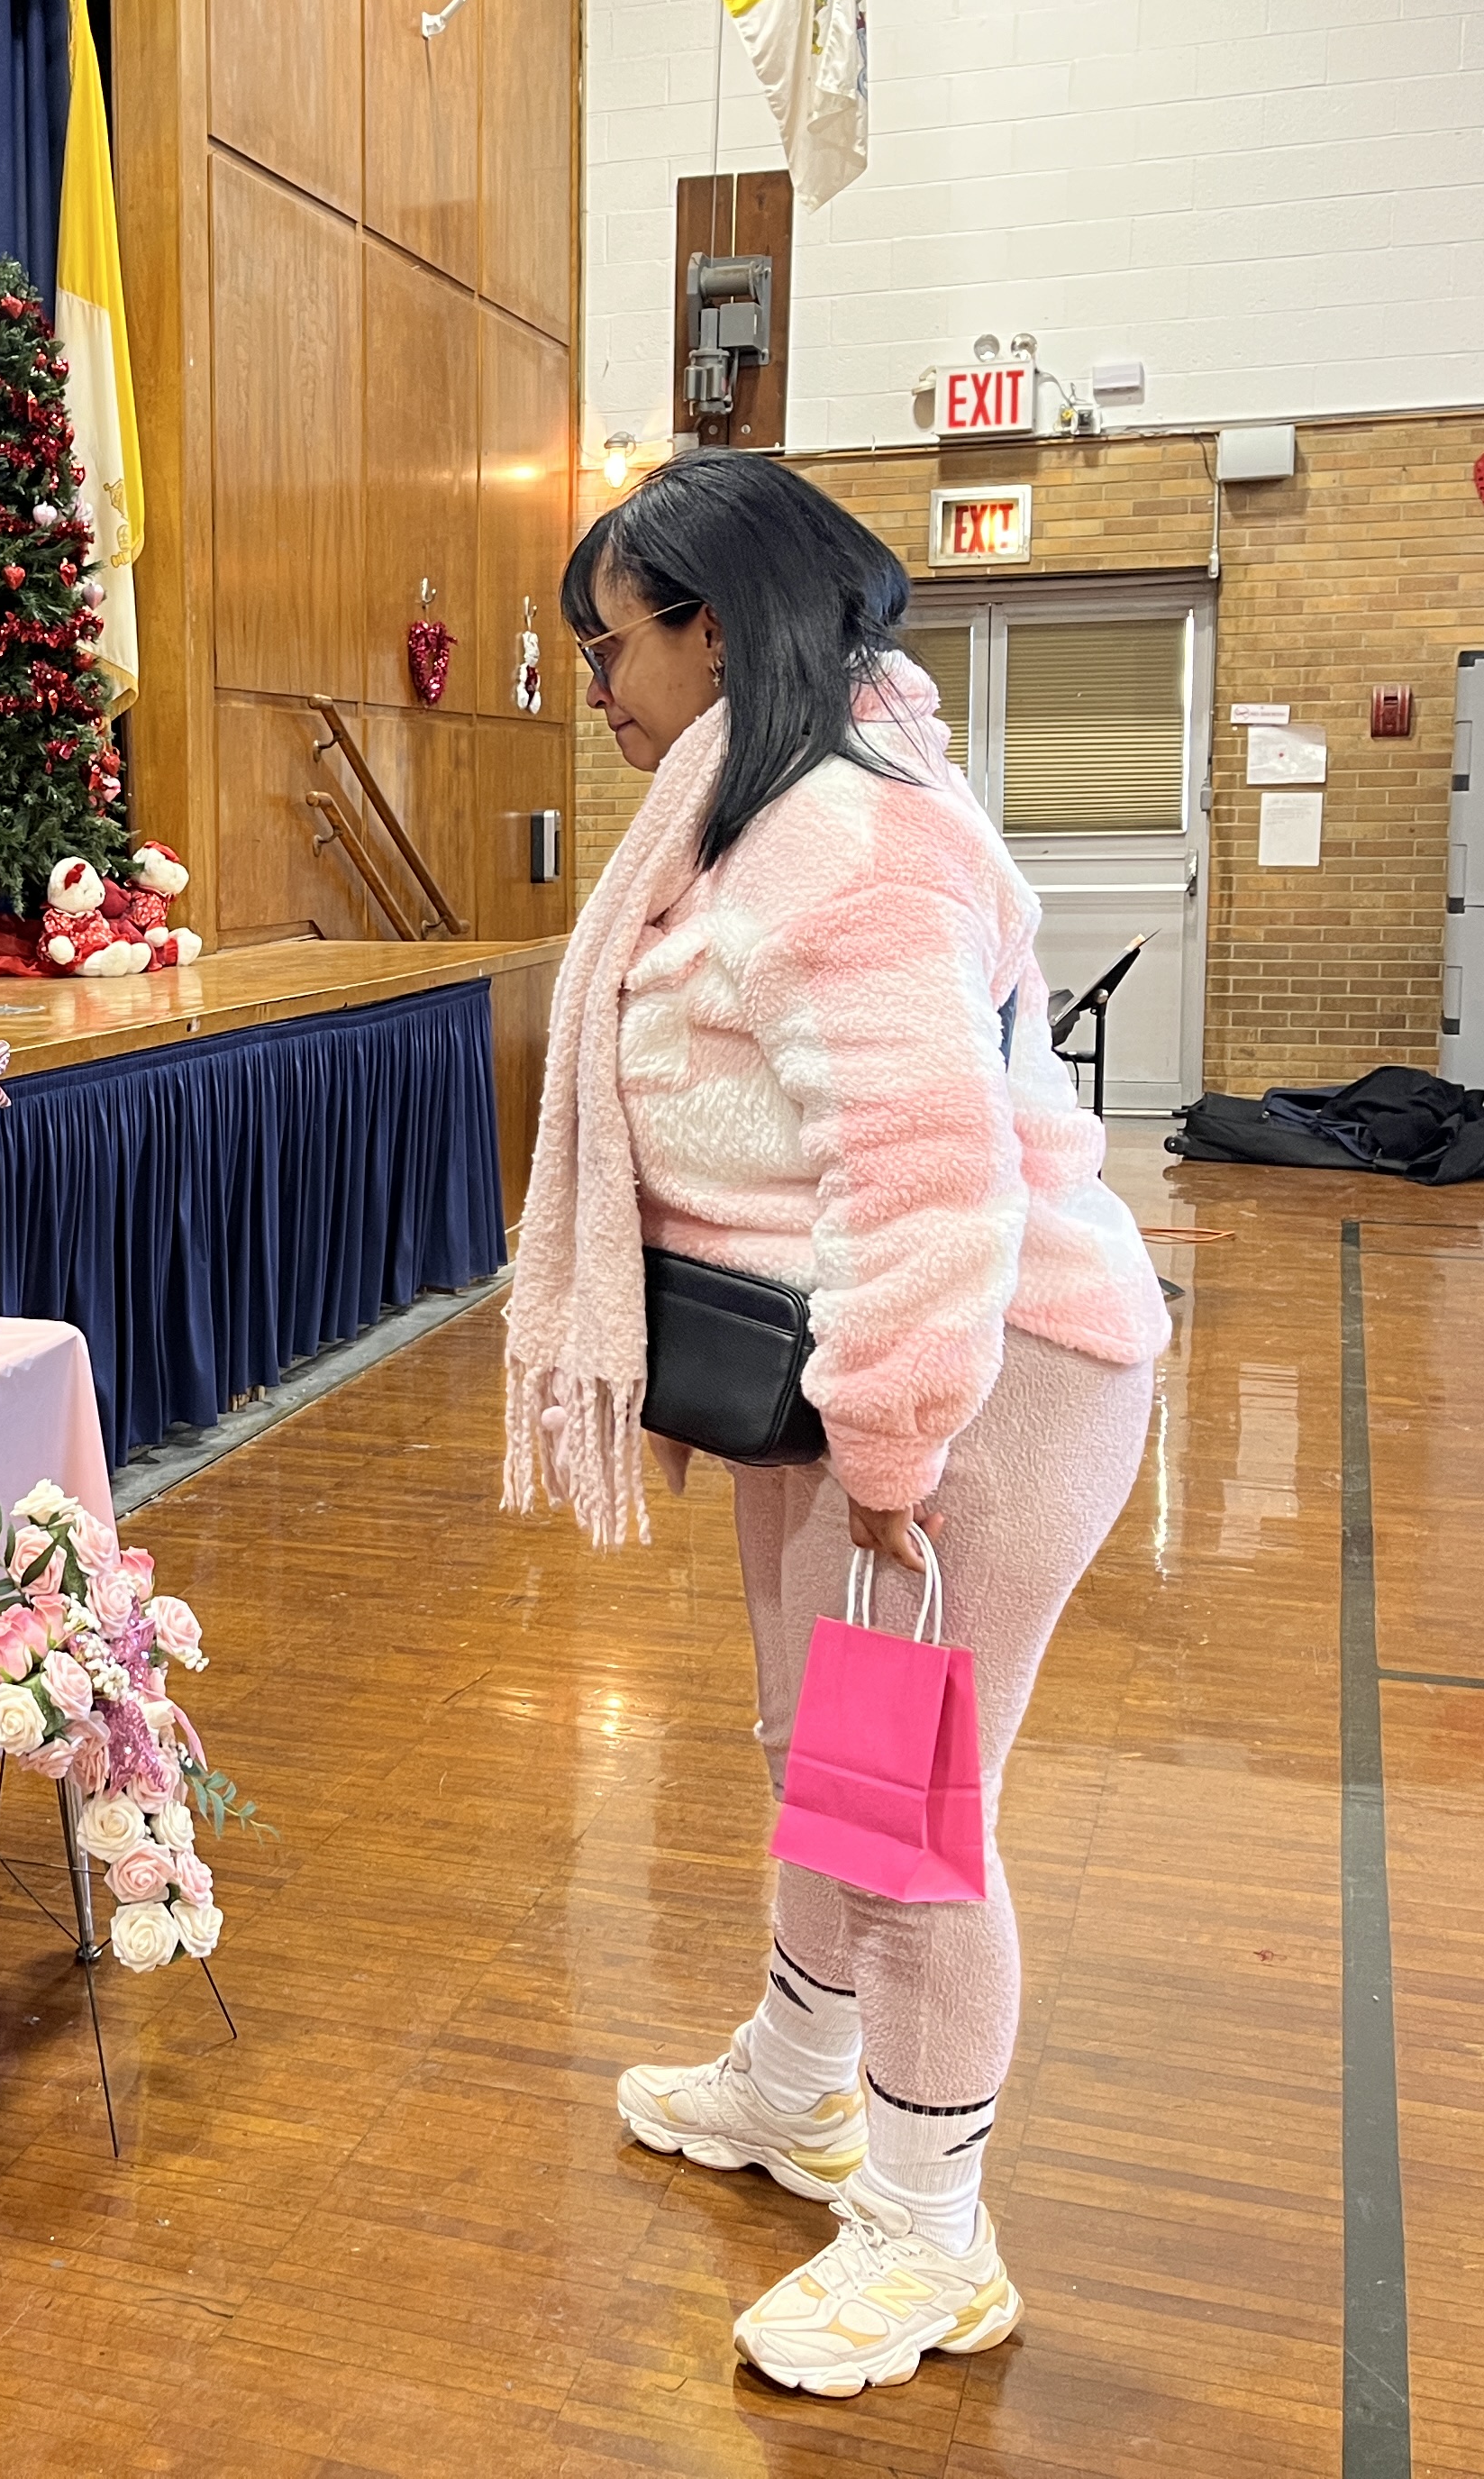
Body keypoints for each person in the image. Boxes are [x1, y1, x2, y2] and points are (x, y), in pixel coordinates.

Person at [499, 453, 1171, 2398]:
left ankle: (927, 2235)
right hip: (850, 1379)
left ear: (716, 621)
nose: (595, 690)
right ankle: (802, 2083)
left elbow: (924, 1192)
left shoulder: (853, 843)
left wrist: (890, 1454)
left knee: (900, 1827)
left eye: (608, 646)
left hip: (966, 1383)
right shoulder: (747, 811)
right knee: (826, 1762)